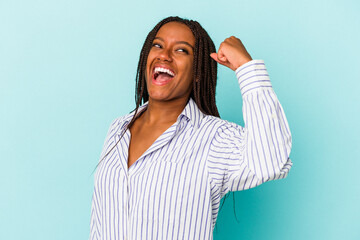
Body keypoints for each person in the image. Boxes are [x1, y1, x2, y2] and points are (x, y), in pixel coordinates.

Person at [89, 16, 292, 240]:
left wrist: (246, 68)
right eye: (158, 45)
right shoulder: (118, 128)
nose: (164, 55)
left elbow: (270, 162)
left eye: (181, 50)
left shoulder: (214, 138)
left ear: (197, 72)